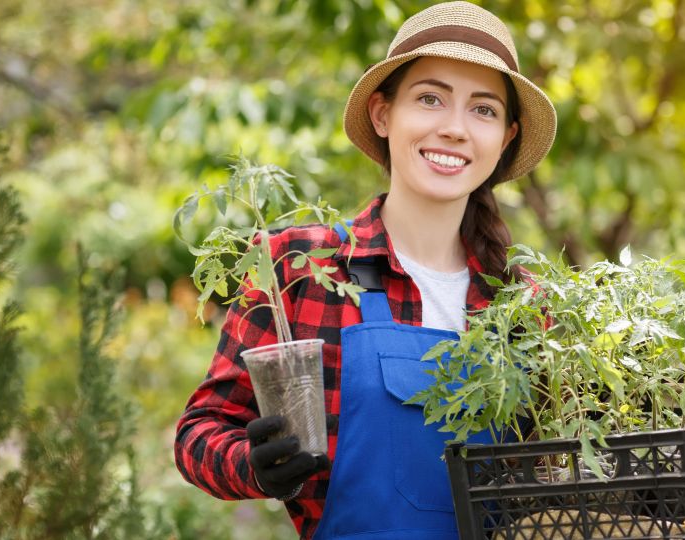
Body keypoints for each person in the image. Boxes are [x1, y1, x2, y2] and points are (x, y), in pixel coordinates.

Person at [173, 2, 556, 538]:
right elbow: (200, 433)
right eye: (430, 99)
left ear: (507, 136)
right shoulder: (300, 269)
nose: (454, 128)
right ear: (383, 114)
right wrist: (254, 465)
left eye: (483, 110)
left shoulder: (524, 305)